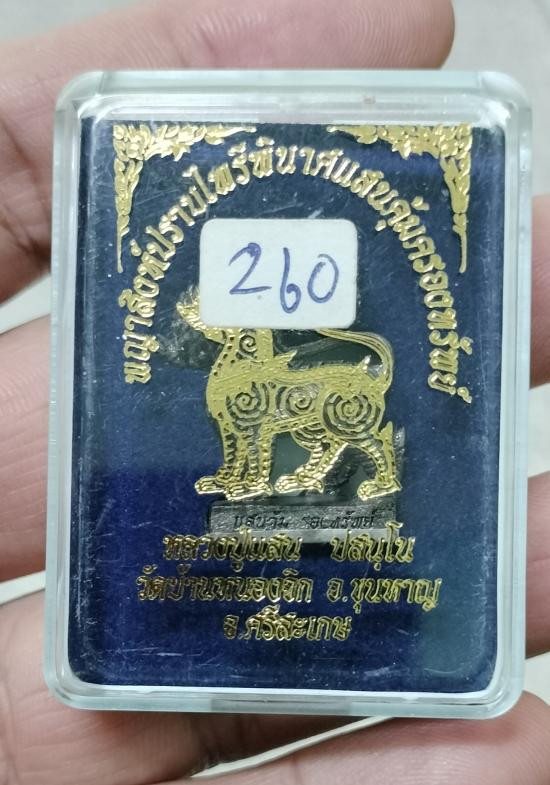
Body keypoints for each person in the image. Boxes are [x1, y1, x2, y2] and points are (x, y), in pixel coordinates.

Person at [0, 0, 549, 782]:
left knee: (342, 430)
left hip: (337, 420)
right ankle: (260, 478)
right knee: (258, 438)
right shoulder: (227, 357)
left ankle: (363, 476)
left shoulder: (256, 356)